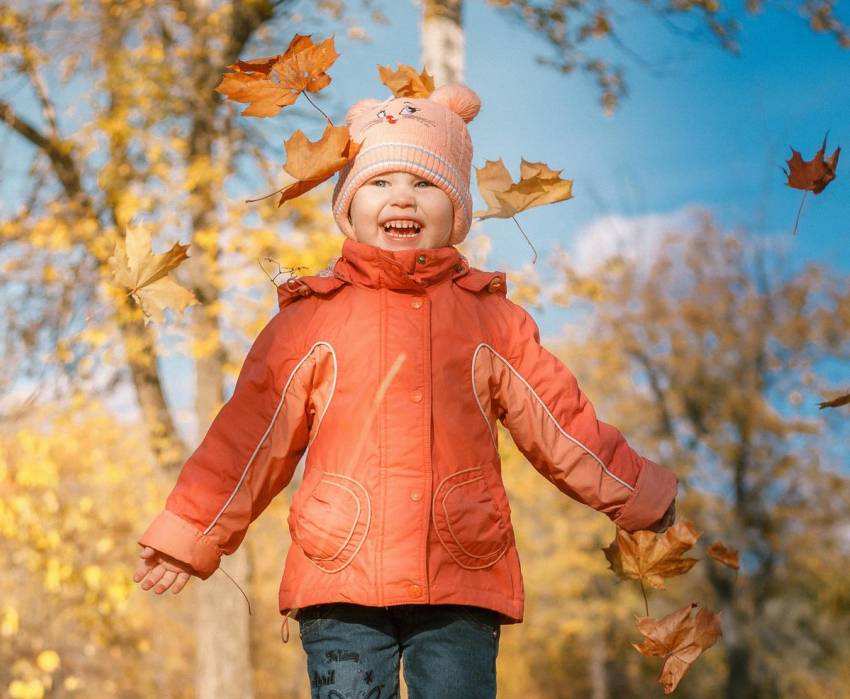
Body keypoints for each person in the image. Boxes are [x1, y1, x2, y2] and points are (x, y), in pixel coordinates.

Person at [133, 83, 678, 699]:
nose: (403, 198)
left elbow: (563, 424)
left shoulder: (491, 323)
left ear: (457, 213)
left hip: (459, 571)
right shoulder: (311, 320)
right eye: (380, 182)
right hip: (340, 572)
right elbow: (250, 435)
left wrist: (638, 494)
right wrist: (190, 532)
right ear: (348, 203)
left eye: (425, 185)